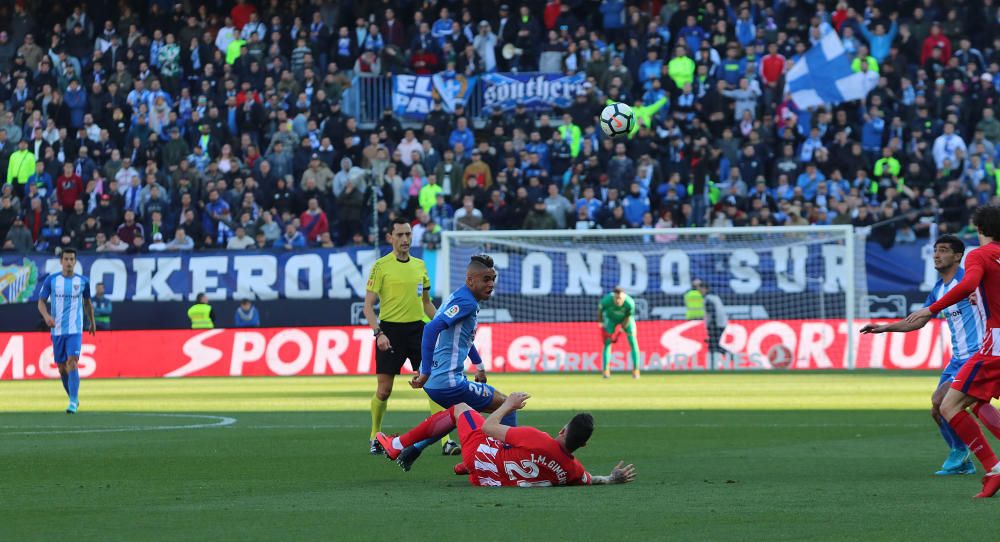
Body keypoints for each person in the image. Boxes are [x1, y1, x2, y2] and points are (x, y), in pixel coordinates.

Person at [861, 235, 996, 475]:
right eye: (935, 250)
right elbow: (920, 320)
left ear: (957, 256)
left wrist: (978, 294)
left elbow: (987, 292)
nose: (937, 254)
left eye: (943, 250)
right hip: (957, 359)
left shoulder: (969, 278)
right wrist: (884, 328)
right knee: (938, 408)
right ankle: (962, 456)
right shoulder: (939, 288)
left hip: (978, 353)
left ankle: (973, 457)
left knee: (945, 402)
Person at [376, 254, 512, 471]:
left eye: (493, 278)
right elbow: (430, 329)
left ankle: (412, 449)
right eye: (486, 279)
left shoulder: (458, 297)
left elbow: (464, 337)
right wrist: (426, 370)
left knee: (457, 415)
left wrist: (479, 366)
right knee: (507, 404)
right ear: (470, 280)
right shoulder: (466, 303)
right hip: (446, 381)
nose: (491, 284)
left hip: (437, 381)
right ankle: (503, 460)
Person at [903, 206, 1000, 498]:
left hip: (994, 343)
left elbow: (969, 282)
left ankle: (993, 468)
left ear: (980, 229)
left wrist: (932, 308)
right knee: (974, 402)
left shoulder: (979, 255)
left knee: (948, 405)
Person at [377, 391, 637, 487]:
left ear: (562, 431)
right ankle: (464, 466)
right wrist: (613, 478)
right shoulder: (573, 470)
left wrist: (509, 405)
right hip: (487, 477)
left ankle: (396, 446)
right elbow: (593, 480)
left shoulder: (537, 438)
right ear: (583, 445)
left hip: (480, 455)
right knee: (511, 447)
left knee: (461, 409)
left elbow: (490, 427)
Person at [363, 217, 458, 455]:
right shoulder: (380, 266)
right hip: (390, 332)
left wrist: (443, 323)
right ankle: (375, 435)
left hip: (418, 332)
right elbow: (368, 306)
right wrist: (379, 333)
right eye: (400, 235)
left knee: (433, 385)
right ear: (390, 238)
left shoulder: (420, 265)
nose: (405, 239)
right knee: (384, 390)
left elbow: (426, 303)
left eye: (408, 235)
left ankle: (446, 440)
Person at [36, 248, 95, 414]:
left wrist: (92, 321)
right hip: (57, 330)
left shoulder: (83, 281)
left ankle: (73, 402)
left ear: (75, 262)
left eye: (72, 259)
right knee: (62, 368)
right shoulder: (52, 280)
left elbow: (87, 303)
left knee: (72, 361)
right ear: (61, 261)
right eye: (66, 259)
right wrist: (47, 316)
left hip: (75, 329)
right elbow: (40, 302)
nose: (69, 262)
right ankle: (73, 397)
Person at [597, 286, 640, 379]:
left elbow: (628, 317)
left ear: (623, 297)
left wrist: (620, 330)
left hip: (626, 320)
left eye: (619, 298)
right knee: (607, 343)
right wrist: (601, 324)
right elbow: (600, 310)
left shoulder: (630, 303)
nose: (617, 300)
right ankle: (606, 370)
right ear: (613, 297)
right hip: (611, 320)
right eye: (616, 298)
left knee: (632, 341)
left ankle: (636, 370)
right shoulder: (607, 300)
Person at [697, 279, 729, 368]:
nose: (699, 291)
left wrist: (711, 328)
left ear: (705, 289)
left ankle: (732, 357)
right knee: (713, 345)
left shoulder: (708, 299)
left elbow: (712, 313)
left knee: (713, 345)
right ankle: (712, 365)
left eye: (700, 288)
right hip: (721, 323)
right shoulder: (714, 296)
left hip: (716, 324)